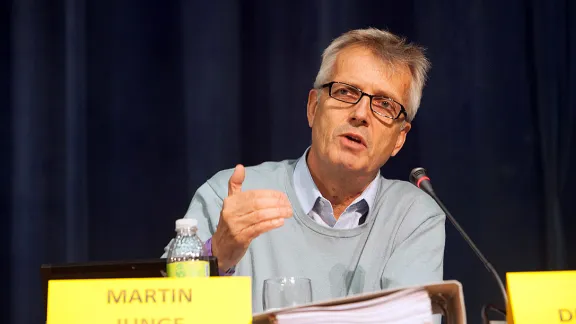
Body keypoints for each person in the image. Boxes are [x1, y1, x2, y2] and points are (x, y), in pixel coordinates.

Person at [162, 27, 445, 314]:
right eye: (346, 92)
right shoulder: (229, 197)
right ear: (313, 107)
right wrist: (218, 257)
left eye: (384, 105)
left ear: (399, 138)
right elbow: (163, 311)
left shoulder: (413, 217)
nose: (360, 114)